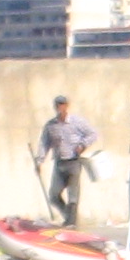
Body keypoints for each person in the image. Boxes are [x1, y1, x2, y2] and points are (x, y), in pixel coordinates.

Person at [36, 97, 98, 229]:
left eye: (63, 105)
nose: (61, 107)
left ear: (67, 106)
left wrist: (82, 145)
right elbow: (44, 144)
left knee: (73, 196)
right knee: (54, 195)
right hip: (59, 163)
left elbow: (92, 134)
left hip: (74, 162)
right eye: (58, 105)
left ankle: (71, 223)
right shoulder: (51, 126)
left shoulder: (77, 122)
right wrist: (39, 160)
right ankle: (68, 217)